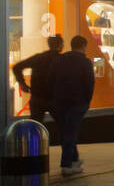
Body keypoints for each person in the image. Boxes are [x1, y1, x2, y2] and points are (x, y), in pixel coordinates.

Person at [51, 36, 95, 176]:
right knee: (70, 132)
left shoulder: (59, 60)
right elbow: (89, 83)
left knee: (66, 130)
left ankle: (74, 159)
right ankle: (66, 164)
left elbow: (50, 79)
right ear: (83, 46)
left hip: (60, 101)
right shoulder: (85, 62)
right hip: (77, 102)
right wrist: (87, 101)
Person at [11, 34, 63, 133]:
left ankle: (33, 147)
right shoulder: (62, 59)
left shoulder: (39, 58)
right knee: (63, 126)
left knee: (34, 127)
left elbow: (17, 67)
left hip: (38, 97)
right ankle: (67, 148)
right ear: (60, 45)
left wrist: (23, 84)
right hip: (55, 98)